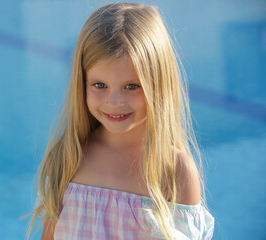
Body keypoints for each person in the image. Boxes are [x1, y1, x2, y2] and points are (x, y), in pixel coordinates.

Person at [24, 2, 215, 239]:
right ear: (82, 82)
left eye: (131, 86)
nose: (114, 102)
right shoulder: (67, 157)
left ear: (159, 84)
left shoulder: (175, 173)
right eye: (99, 85)